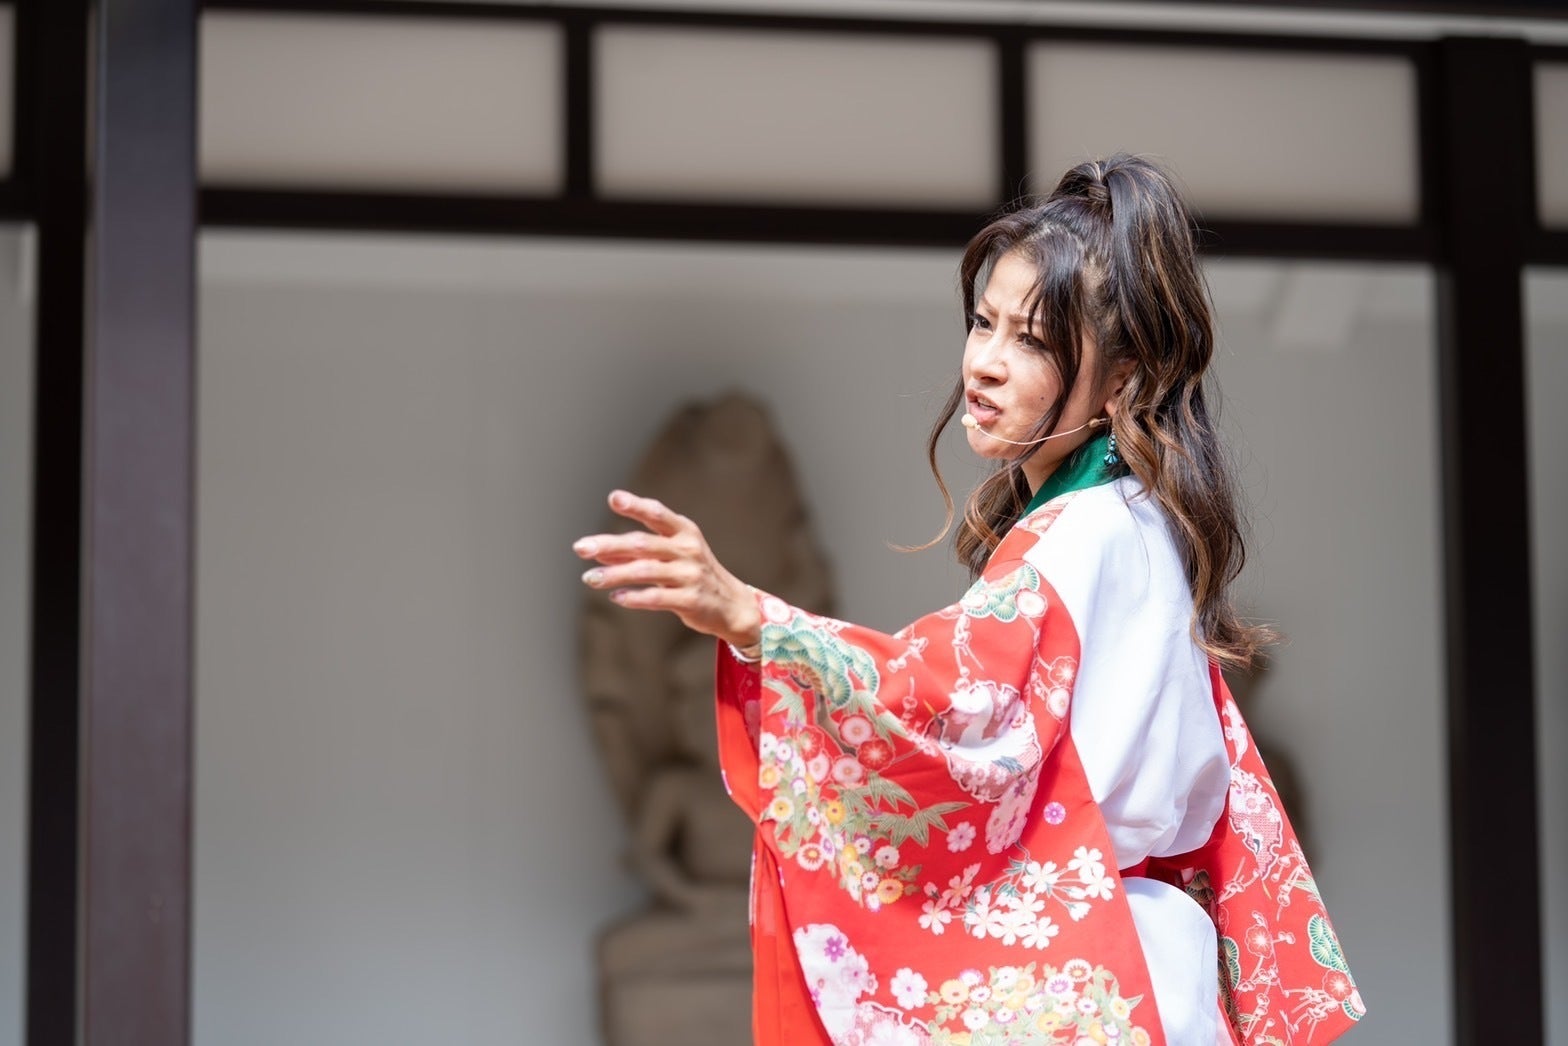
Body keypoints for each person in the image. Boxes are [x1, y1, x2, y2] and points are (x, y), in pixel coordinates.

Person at [574, 153, 1363, 1046]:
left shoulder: (1081, 533)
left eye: (1030, 341)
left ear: (1122, 380)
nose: (984, 363)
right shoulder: (1133, 522)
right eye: (984, 323)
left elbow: (950, 700)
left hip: (1097, 975)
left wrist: (754, 618)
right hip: (1133, 963)